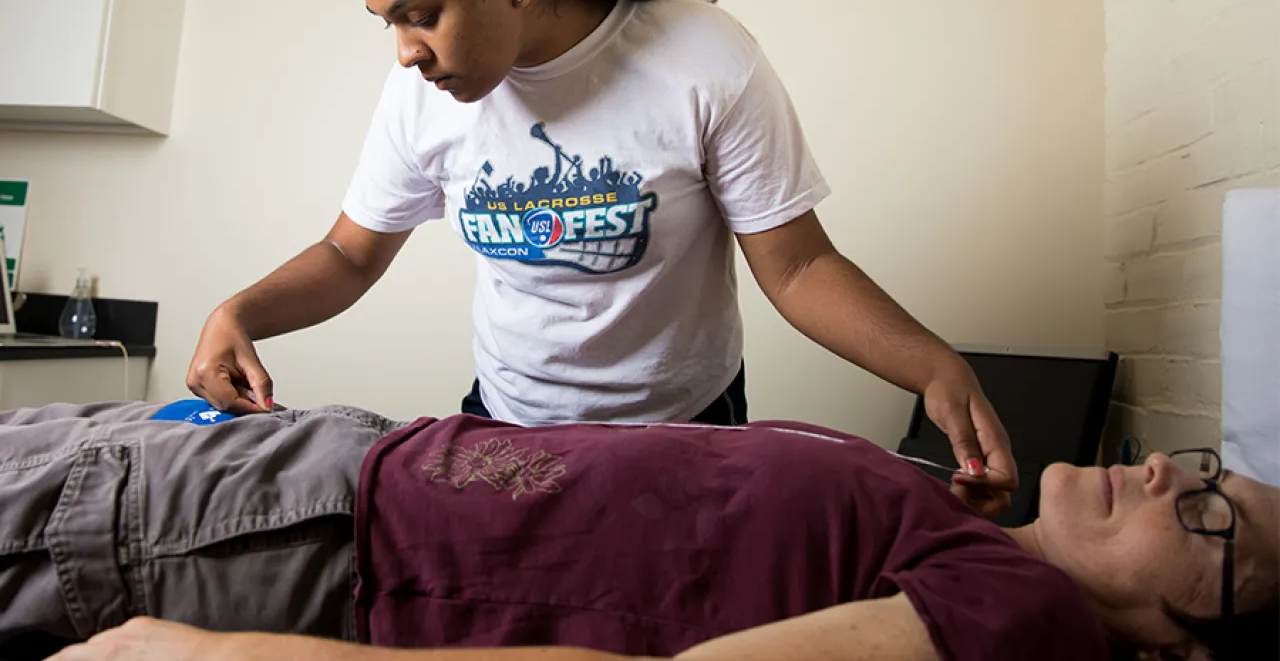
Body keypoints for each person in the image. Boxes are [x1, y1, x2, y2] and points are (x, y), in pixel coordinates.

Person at [186, 0, 1019, 514]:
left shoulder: (698, 58)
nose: (407, 53)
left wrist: (932, 365)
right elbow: (349, 254)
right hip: (506, 428)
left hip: (685, 431)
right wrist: (240, 312)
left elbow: (798, 266)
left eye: (421, 15)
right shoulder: (421, 95)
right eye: (387, 25)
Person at [1, 401, 1275, 661]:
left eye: (1210, 515)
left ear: (1188, 645)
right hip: (332, 473)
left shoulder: (1027, 619)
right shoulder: (975, 551)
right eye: (1205, 467)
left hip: (312, 542)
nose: (1167, 471)